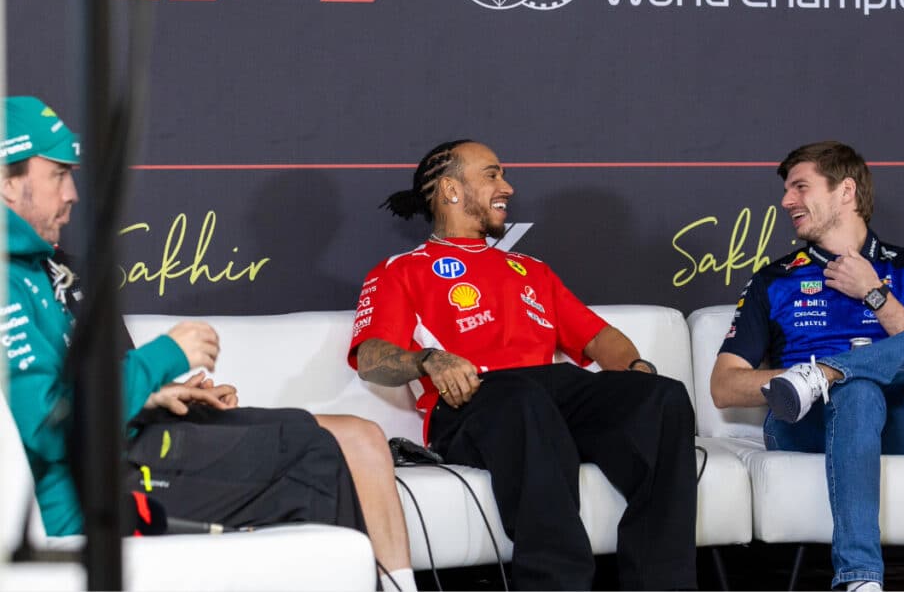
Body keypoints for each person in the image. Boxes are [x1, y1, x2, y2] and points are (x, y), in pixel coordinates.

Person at [2, 96, 415, 592]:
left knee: (313, 443)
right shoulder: (10, 279)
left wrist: (159, 389)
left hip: (117, 448)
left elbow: (77, 388)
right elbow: (46, 425)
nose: (71, 193)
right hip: (88, 489)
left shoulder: (37, 268)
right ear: (9, 181)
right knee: (311, 455)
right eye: (57, 175)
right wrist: (166, 356)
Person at [348, 139, 697, 590]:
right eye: (492, 174)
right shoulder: (400, 270)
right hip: (474, 402)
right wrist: (430, 360)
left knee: (663, 397)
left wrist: (635, 368)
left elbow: (599, 337)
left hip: (552, 398)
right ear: (451, 190)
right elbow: (372, 359)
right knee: (524, 401)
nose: (507, 187)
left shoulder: (530, 269)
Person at [710, 140, 904, 591]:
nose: (787, 201)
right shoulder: (776, 278)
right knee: (858, 393)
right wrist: (800, 382)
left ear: (845, 192)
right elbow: (724, 386)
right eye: (787, 190)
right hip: (804, 420)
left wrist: (876, 296)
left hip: (903, 417)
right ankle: (859, 580)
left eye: (800, 187)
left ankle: (828, 372)